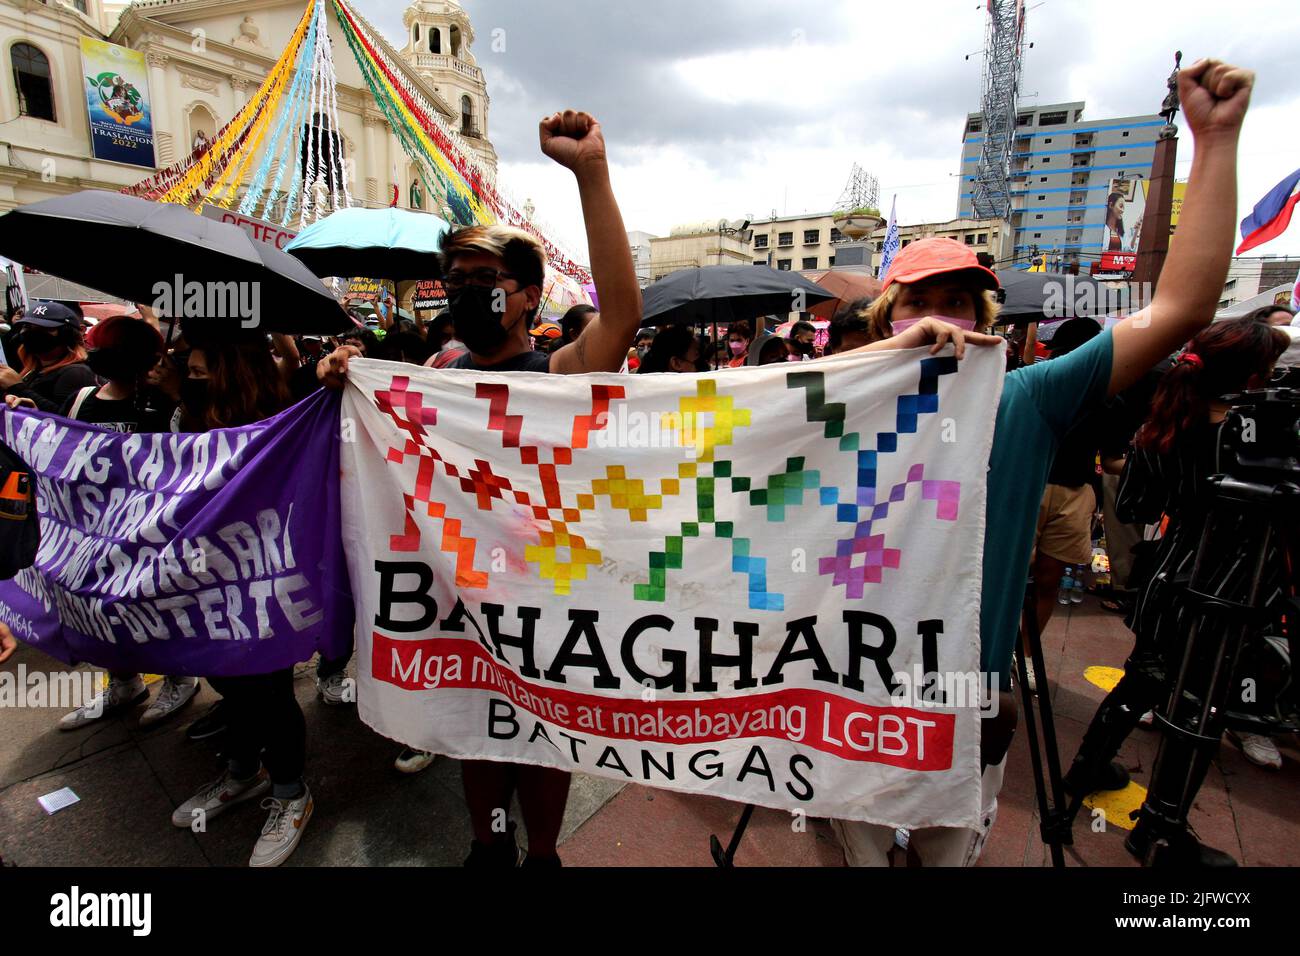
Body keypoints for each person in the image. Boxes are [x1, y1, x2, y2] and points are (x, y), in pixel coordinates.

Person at [831, 58, 1255, 867]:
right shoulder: (839, 401)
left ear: (989, 323)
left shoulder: (1026, 398)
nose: (939, 320)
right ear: (886, 320)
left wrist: (1216, 138)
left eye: (959, 302)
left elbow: (1183, 307)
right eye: (918, 303)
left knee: (947, 856)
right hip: (847, 677)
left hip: (970, 683)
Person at [319, 107, 642, 867]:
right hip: (456, 585)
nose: (465, 293)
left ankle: (543, 854)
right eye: (454, 281)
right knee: (476, 723)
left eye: (484, 281)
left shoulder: (559, 373)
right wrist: (343, 375)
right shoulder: (436, 379)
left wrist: (591, 171)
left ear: (529, 295)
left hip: (545, 587)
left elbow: (623, 316)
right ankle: (487, 847)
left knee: (540, 732)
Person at [1063, 318, 1289, 860]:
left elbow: (1136, 504)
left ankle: (1086, 770)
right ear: (1254, 377)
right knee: (1200, 709)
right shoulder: (1258, 434)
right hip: (1234, 586)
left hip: (1172, 577)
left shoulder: (1165, 424)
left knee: (1140, 682)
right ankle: (1162, 828)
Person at [6, 317, 204, 730]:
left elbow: (194, 452)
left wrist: (175, 394)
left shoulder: (163, 403)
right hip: (91, 536)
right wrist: (29, 410)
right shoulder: (81, 399)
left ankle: (179, 678)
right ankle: (123, 682)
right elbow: (58, 445)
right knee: (99, 610)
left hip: (150, 537)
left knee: (155, 610)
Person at [168, 326, 313, 868]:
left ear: (234, 372)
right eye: (190, 370)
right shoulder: (187, 418)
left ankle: (291, 791)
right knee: (226, 677)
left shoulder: (281, 419)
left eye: (202, 372)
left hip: (263, 579)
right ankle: (241, 773)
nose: (191, 378)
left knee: (267, 686)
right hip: (204, 576)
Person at [0, 301, 96, 413]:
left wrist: (17, 387)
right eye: (27, 327)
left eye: (44, 329)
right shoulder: (34, 370)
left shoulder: (76, 373)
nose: (32, 333)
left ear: (67, 335)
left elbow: (66, 420)